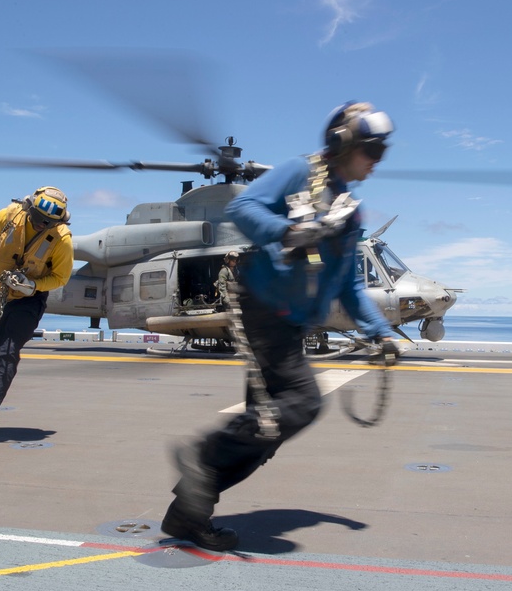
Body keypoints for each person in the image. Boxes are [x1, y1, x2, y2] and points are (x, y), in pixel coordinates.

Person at [161, 101, 399, 550]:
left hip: (287, 324)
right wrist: (285, 233)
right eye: (372, 151)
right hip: (261, 306)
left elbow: (347, 282)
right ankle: (201, 454)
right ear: (343, 143)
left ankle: (187, 514)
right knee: (304, 403)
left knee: (264, 433)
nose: (376, 162)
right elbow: (244, 208)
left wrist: (379, 331)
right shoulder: (297, 173)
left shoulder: (349, 210)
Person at [0, 186, 74, 448]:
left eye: (48, 222)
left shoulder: (62, 240)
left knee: (6, 351)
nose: (41, 224)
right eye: (37, 218)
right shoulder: (7, 217)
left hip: (28, 302)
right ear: (29, 208)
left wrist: (33, 286)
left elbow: (60, 277)